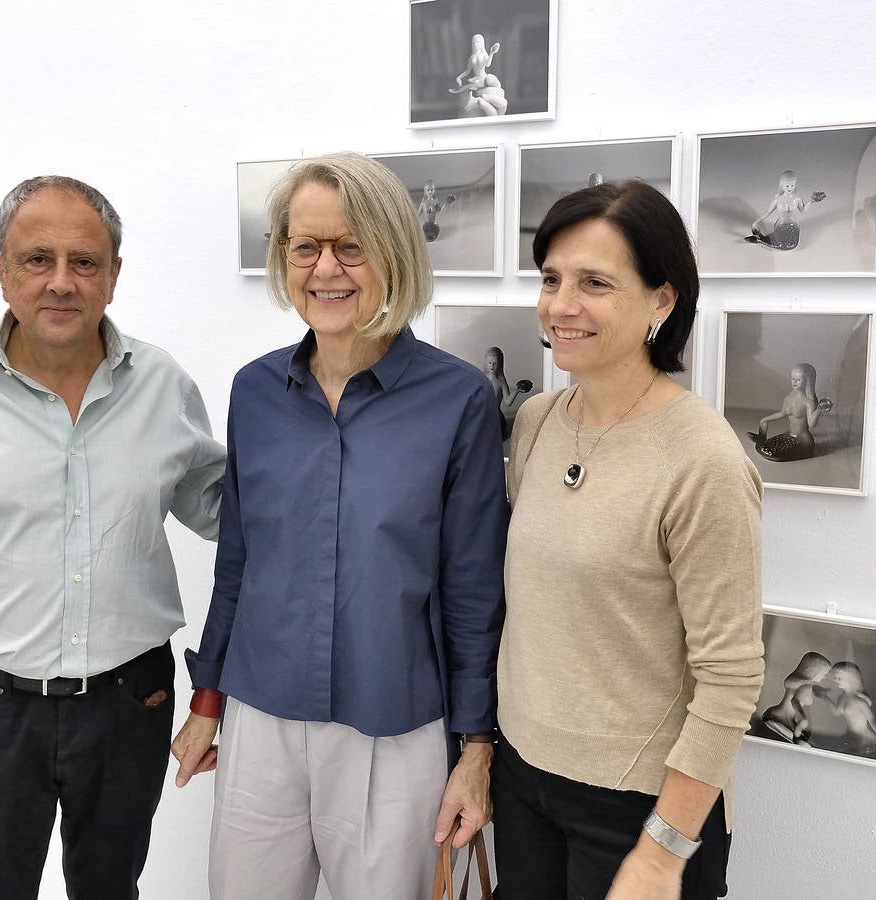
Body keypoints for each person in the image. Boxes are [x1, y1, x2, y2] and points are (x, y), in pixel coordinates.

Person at [0, 175, 226, 900]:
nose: (61, 282)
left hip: (130, 704)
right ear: (2, 269)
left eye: (84, 262)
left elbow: (224, 510)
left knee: (111, 889)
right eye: (37, 259)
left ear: (114, 276)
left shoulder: (162, 386)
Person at [172, 151, 508, 900]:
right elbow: (238, 562)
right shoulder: (254, 391)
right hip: (259, 716)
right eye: (305, 246)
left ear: (392, 252)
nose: (326, 269)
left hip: (396, 728)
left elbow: (474, 593)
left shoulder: (458, 402)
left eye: (350, 246)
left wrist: (476, 750)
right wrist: (206, 704)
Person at [494, 180, 764, 900]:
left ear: (661, 301)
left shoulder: (701, 459)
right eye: (550, 279)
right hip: (522, 781)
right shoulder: (538, 422)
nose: (560, 305)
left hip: (638, 809)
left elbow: (732, 677)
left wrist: (662, 851)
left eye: (594, 284)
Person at [746, 363, 833, 461]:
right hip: (789, 435)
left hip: (803, 441)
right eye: (792, 379)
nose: (794, 382)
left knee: (773, 453)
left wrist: (819, 409)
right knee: (764, 448)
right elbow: (782, 413)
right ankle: (761, 439)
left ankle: (763, 442)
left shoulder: (809, 402)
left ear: (807, 381)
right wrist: (765, 420)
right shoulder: (790, 397)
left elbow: (811, 424)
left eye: (798, 380)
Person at [758, 652, 833, 745]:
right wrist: (803, 719)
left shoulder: (801, 682)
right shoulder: (804, 685)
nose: (824, 676)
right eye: (824, 673)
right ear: (814, 671)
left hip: (785, 715)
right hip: (782, 715)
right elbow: (794, 701)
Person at [745, 170, 825, 250]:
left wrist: (812, 201)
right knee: (781, 244)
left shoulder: (797, 198)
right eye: (787, 186)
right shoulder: (778, 200)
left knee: (792, 245)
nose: (790, 188)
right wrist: (756, 222)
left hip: (794, 227)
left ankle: (760, 239)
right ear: (782, 185)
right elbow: (768, 212)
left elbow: (803, 210)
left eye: (792, 185)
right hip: (780, 226)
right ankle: (760, 239)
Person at [449, 34, 508, 117]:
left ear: (482, 44)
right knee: (468, 87)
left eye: (478, 42)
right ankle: (472, 102)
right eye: (474, 43)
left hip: (484, 77)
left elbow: (487, 64)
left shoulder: (484, 54)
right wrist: (459, 77)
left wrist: (491, 53)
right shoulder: (472, 57)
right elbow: (467, 71)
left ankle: (482, 101)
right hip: (475, 78)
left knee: (486, 85)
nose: (475, 44)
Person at [483, 346, 534, 442]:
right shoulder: (481, 379)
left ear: (500, 364)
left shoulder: (501, 381)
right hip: (483, 418)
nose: (492, 366)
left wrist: (517, 391)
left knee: (495, 444)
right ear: (486, 363)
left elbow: (508, 402)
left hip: (496, 419)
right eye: (490, 363)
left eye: (495, 363)